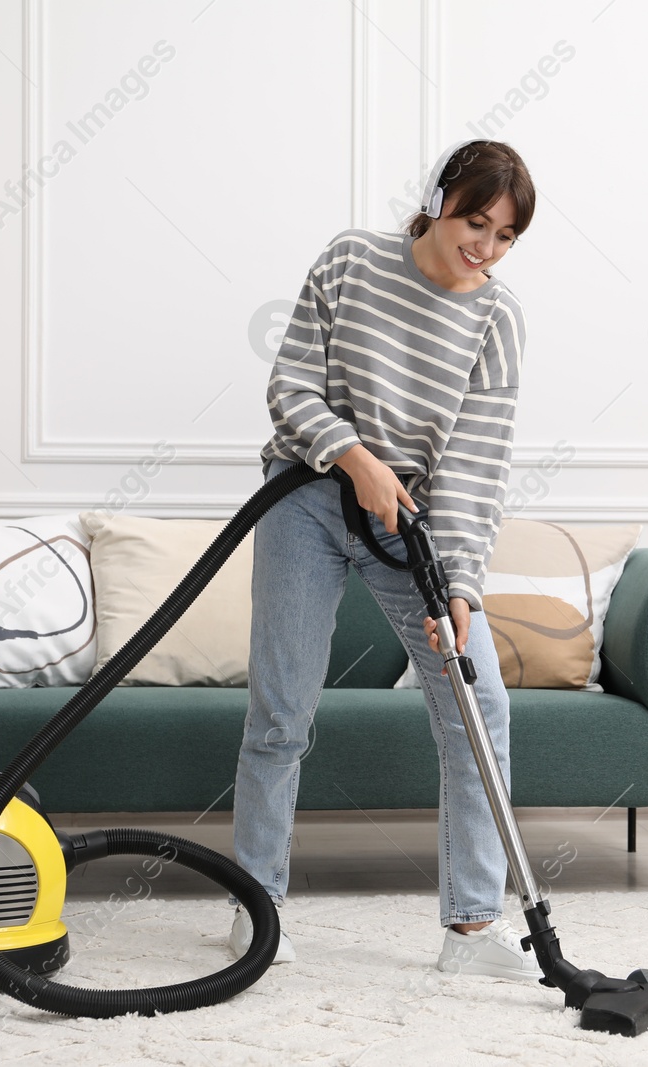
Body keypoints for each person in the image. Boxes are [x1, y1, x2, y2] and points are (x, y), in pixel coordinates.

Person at [227, 140, 537, 980]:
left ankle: (471, 928)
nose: (485, 245)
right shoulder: (351, 260)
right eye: (476, 221)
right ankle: (257, 911)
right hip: (303, 499)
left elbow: (477, 464)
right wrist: (355, 458)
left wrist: (462, 582)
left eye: (505, 235)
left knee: (479, 707)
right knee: (282, 712)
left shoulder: (497, 319)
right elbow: (290, 387)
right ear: (440, 199)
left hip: (413, 525)